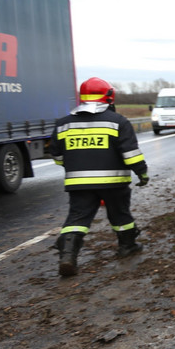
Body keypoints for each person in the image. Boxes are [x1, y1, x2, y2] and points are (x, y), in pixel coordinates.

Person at [48, 77, 149, 277]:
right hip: (114, 182)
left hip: (78, 183)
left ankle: (68, 256)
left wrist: (75, 166)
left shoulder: (63, 124)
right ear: (109, 97)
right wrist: (142, 173)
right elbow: (130, 154)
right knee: (120, 214)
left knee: (77, 219)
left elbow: (58, 156)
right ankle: (127, 246)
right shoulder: (118, 121)